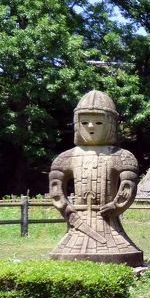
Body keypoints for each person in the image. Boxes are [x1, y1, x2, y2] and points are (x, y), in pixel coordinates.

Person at [49, 90, 143, 266]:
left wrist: (115, 206)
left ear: (111, 125)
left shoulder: (123, 156)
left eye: (98, 122)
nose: (91, 126)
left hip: (107, 220)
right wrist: (68, 210)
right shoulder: (64, 158)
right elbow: (56, 189)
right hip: (78, 219)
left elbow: (127, 186)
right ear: (76, 124)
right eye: (85, 122)